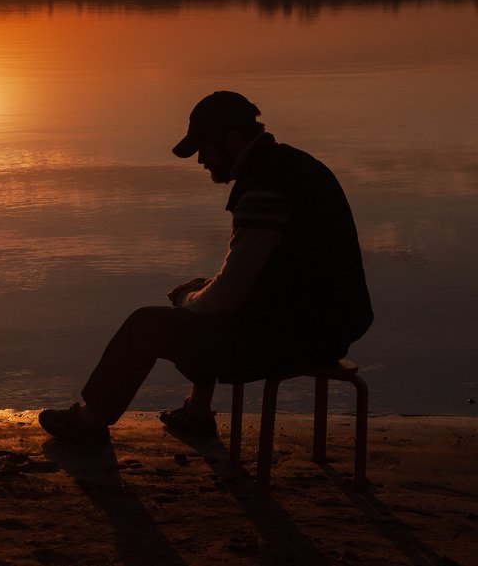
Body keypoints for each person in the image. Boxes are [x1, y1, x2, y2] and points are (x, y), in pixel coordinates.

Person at [39, 91, 373, 442]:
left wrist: (187, 298)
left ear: (232, 140)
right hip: (327, 326)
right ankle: (198, 412)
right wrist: (198, 293)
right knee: (202, 292)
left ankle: (91, 421)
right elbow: (250, 277)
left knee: (146, 324)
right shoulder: (295, 166)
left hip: (295, 337)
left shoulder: (264, 189)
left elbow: (226, 298)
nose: (201, 160)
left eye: (204, 148)